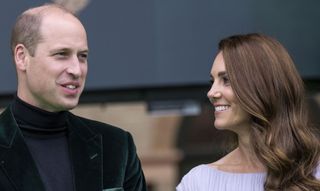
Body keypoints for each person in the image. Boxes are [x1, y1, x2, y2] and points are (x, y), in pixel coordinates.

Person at [0, 3, 146, 191]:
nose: (77, 70)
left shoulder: (116, 147)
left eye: (82, 56)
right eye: (61, 54)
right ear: (22, 57)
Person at [177, 33, 320, 191]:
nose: (211, 93)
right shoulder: (199, 182)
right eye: (213, 82)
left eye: (226, 80)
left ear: (261, 87)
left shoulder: (314, 172)